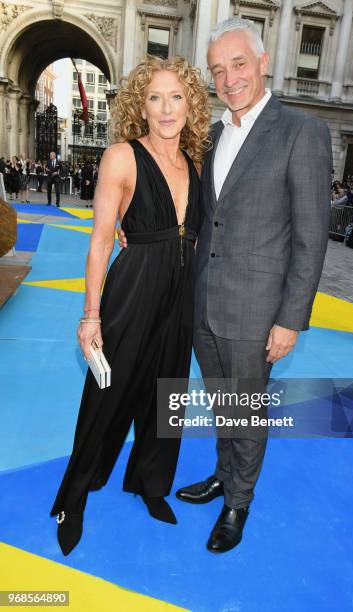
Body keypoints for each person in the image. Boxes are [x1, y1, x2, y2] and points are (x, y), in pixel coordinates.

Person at [119, 18, 332, 553]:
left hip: (258, 309)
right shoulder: (211, 135)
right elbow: (197, 214)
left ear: (263, 62)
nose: (229, 77)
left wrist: (290, 318)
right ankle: (221, 473)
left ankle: (238, 500)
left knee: (247, 407)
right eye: (218, 69)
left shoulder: (302, 132)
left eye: (238, 64)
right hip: (204, 300)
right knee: (223, 402)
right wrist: (136, 231)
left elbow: (311, 236)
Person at [49, 55, 210, 556]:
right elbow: (99, 241)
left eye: (176, 97)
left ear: (191, 104)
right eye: (155, 98)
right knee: (107, 394)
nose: (166, 109)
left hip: (181, 293)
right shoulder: (122, 156)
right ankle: (72, 499)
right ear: (141, 105)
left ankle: (150, 483)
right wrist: (90, 315)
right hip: (134, 285)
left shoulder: (195, 160)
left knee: (167, 394)